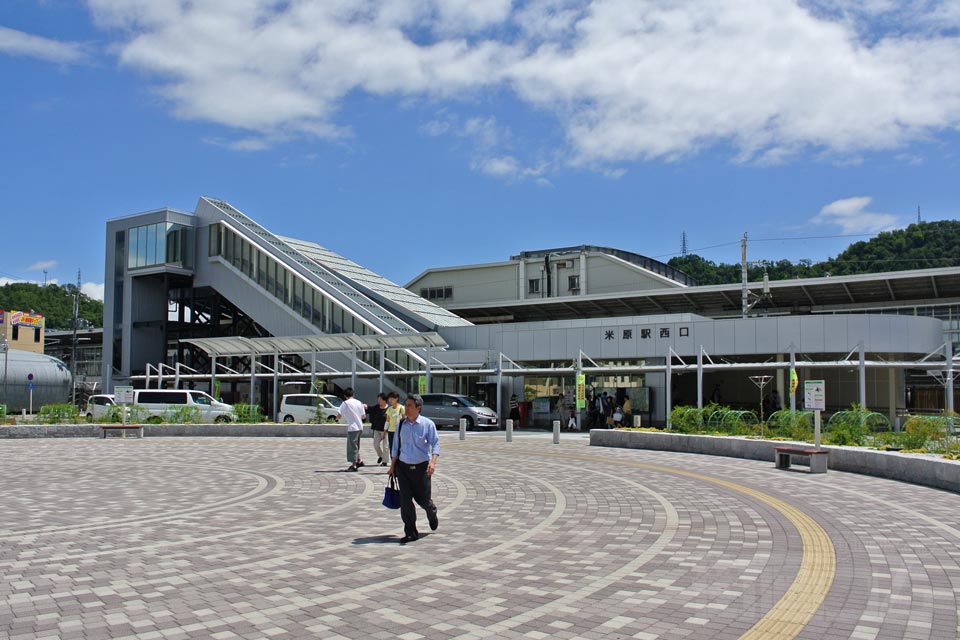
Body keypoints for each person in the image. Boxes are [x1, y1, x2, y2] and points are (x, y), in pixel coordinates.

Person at [388, 394, 440, 544]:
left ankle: (432, 512)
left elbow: (435, 444)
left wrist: (433, 463)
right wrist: (392, 466)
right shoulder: (401, 425)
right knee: (405, 501)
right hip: (403, 468)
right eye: (406, 405)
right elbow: (396, 447)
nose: (407, 408)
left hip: (422, 468)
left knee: (423, 500)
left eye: (410, 405)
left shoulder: (427, 424)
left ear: (419, 408)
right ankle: (410, 531)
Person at [336, 388, 367, 472]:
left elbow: (339, 415)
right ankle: (359, 461)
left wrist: (336, 419)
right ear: (353, 394)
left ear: (345, 395)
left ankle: (354, 465)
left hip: (353, 427)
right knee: (356, 444)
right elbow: (364, 416)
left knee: (352, 446)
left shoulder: (345, 403)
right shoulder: (359, 402)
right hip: (360, 426)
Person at [369, 393, 388, 465]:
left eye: (380, 399)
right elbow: (370, 409)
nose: (378, 401)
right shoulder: (376, 407)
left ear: (384, 400)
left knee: (385, 446)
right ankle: (381, 456)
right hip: (377, 429)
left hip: (386, 430)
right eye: (378, 399)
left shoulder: (389, 409)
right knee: (376, 445)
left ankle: (385, 461)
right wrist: (365, 406)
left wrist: (385, 430)